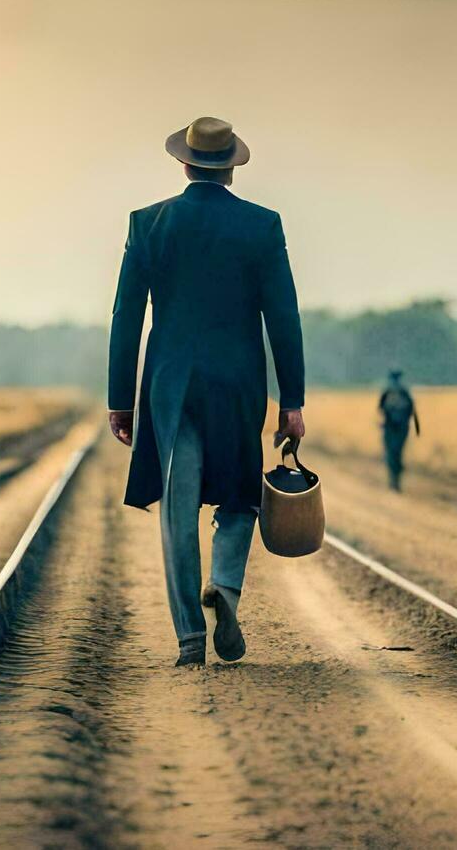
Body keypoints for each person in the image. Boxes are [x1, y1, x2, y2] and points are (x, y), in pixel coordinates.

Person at [107, 116, 306, 668]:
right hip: (239, 383)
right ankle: (224, 584)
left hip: (171, 383)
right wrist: (293, 401)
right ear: (232, 171)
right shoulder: (262, 226)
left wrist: (120, 398)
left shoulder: (148, 223)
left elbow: (126, 316)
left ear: (185, 163)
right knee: (240, 496)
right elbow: (283, 317)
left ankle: (190, 639)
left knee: (177, 508)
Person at [378, 369, 420, 491]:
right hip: (401, 429)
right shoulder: (404, 392)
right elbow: (412, 411)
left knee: (392, 454)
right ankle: (395, 481)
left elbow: (380, 409)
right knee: (397, 454)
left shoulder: (388, 392)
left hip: (390, 429)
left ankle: (393, 481)